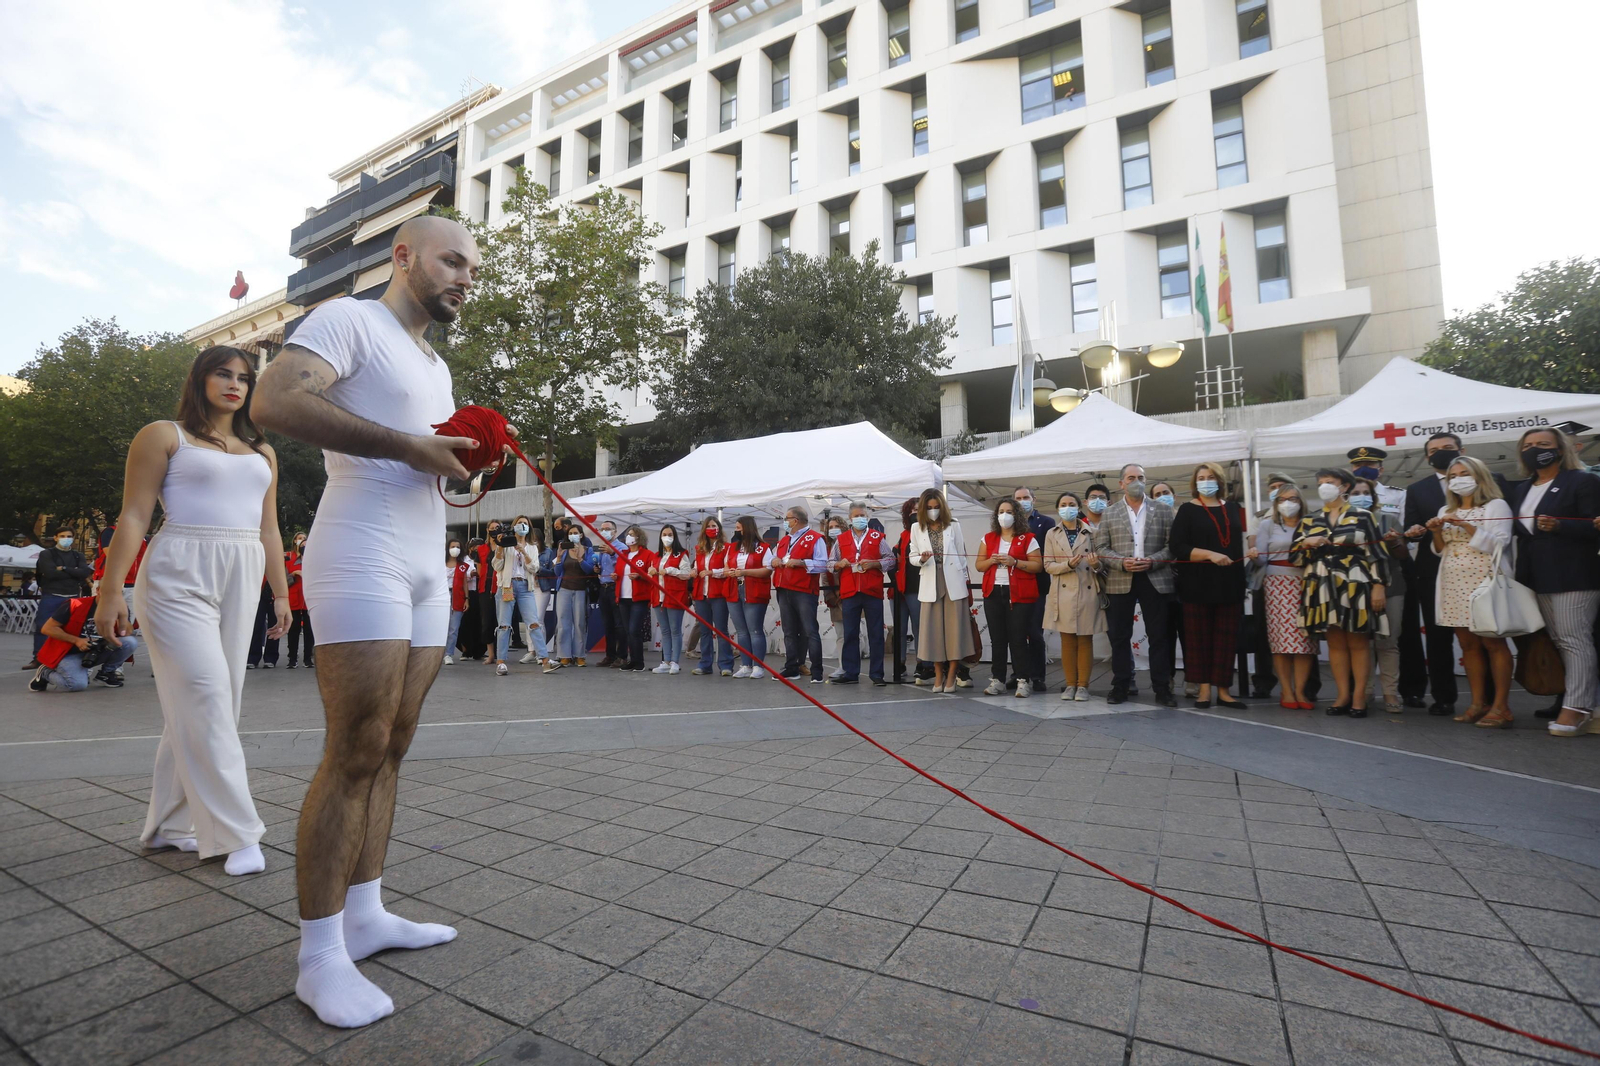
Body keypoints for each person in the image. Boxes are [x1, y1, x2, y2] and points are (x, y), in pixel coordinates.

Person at [253, 216, 499, 1029]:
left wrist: (463, 458)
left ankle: (366, 913)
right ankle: (319, 956)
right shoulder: (349, 320)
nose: (466, 276)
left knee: (394, 741)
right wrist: (409, 447)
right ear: (403, 256)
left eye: (474, 267)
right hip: (360, 548)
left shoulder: (437, 362)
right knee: (354, 745)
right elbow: (276, 400)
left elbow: (423, 453)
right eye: (452, 260)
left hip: (429, 558)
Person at [96, 344, 290, 883]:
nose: (235, 385)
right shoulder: (164, 435)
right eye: (223, 374)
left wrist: (280, 593)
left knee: (214, 704)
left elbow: (268, 528)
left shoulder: (262, 452)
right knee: (204, 693)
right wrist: (112, 591)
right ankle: (237, 833)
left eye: (244, 378)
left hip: (243, 570)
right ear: (200, 379)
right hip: (178, 568)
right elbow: (133, 515)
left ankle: (166, 823)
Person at [1508, 428, 1600, 737]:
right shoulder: (1521, 489)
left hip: (1573, 573)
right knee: (1559, 641)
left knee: (1574, 640)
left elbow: (1595, 525)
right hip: (1534, 577)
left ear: (1561, 449)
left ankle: (1576, 708)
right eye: (1529, 445)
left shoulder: (1583, 481)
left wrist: (1561, 526)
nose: (1535, 450)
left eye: (1543, 445)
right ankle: (1581, 702)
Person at [1426, 455, 1515, 728]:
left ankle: (1501, 706)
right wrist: (1436, 531)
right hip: (1453, 581)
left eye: (1464, 473)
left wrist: (1466, 525)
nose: (1458, 480)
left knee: (1493, 643)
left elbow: (1500, 543)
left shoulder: (1495, 505)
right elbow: (1440, 550)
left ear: (1479, 476)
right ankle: (1478, 703)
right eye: (1453, 476)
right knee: (1468, 645)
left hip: (1484, 579)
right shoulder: (1444, 510)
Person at [1297, 469, 1389, 718]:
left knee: (1358, 642)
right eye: (1320, 483)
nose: (1324, 487)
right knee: (1336, 644)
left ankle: (1359, 696)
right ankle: (1342, 695)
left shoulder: (1363, 516)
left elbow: (1377, 553)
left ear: (1344, 486)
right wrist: (1306, 544)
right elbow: (1295, 557)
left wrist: (1379, 584)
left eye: (1330, 482)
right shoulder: (1310, 519)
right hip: (1321, 584)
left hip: (1355, 583)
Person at [1169, 462, 1250, 708]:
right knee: (1198, 639)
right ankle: (1203, 689)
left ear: (1220, 481)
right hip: (1197, 584)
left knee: (1226, 640)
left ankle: (1224, 690)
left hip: (1230, 583)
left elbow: (1242, 539)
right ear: (1195, 483)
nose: (1206, 481)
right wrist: (1209, 554)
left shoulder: (1234, 508)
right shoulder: (1187, 510)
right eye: (1201, 477)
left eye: (1211, 476)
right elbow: (1177, 547)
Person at [1094, 464, 1177, 706]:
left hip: (1156, 578)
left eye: (1141, 477)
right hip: (1121, 579)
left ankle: (1162, 688)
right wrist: (1121, 562)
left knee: (1159, 636)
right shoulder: (1109, 513)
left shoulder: (1163, 510)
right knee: (1119, 636)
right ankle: (1121, 685)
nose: (1136, 481)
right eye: (1131, 478)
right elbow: (1101, 548)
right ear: (1121, 483)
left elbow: (1172, 546)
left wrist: (1152, 561)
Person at [1401, 432, 1467, 716]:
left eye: (1447, 448)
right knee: (1438, 638)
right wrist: (1414, 532)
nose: (1441, 453)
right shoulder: (1418, 489)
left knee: (1482, 636)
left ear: (1461, 450)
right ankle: (1443, 697)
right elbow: (1412, 528)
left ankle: (1489, 699)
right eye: (1434, 450)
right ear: (1427, 457)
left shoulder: (1488, 480)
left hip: (1476, 569)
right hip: (1432, 572)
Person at [1250, 483, 1316, 709]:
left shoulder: (1312, 523)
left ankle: (1301, 691)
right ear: (1276, 503)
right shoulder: (1268, 524)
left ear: (1302, 501)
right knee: (1281, 642)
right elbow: (1260, 559)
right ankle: (1287, 691)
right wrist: (1254, 554)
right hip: (1277, 584)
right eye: (1283, 499)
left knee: (1305, 641)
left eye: (1294, 499)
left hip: (1307, 583)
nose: (1289, 503)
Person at [977, 498, 1044, 698]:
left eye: (1008, 511)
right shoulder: (987, 538)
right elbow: (979, 566)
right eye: (1000, 511)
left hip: (1019, 594)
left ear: (1016, 515)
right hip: (993, 592)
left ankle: (1023, 680)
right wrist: (992, 560)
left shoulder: (1028, 538)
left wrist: (1015, 562)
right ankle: (997, 680)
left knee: (1018, 638)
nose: (1004, 515)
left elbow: (1037, 566)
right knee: (998, 639)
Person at [1351, 477, 1407, 713]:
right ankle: (1364, 691)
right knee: (1361, 642)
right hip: (1354, 588)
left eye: (1366, 492)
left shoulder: (1388, 519)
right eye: (1356, 492)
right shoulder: (1342, 521)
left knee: (1388, 641)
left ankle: (1390, 692)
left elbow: (1403, 555)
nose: (1361, 495)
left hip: (1391, 586)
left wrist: (1394, 543)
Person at [908, 488, 973, 693]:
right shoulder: (916, 528)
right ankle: (938, 676)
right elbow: (912, 556)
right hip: (930, 582)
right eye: (929, 508)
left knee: (955, 631)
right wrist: (922, 559)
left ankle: (952, 675)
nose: (933, 511)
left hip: (953, 582)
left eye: (936, 507)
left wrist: (964, 582)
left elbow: (962, 555)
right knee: (933, 632)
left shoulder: (954, 525)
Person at [1043, 491, 1101, 702]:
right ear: (1058, 508)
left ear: (1079, 507)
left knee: (1085, 639)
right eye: (1063, 504)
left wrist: (1096, 565)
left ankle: (1083, 686)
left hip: (1087, 591)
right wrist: (1067, 565)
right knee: (1067, 639)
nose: (1067, 507)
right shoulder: (1051, 533)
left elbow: (1101, 567)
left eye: (1071, 504)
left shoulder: (1092, 532)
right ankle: (1070, 685)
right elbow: (1047, 565)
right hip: (1062, 592)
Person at [1248, 473, 1298, 699]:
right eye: (1273, 487)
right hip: (1267, 580)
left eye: (1282, 486)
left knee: (1304, 634)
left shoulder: (1307, 518)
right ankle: (1264, 681)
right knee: (1264, 634)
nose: (1277, 490)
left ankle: (1308, 686)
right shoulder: (1260, 518)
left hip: (1299, 580)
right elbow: (1255, 547)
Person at [828, 503, 888, 686]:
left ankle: (877, 674)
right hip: (850, 591)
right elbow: (830, 563)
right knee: (851, 633)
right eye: (856, 515)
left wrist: (875, 563)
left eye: (862, 514)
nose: (859, 518)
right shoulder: (842, 539)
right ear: (850, 518)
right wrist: (839, 565)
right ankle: (850, 672)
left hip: (872, 590)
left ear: (867, 517)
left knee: (876, 633)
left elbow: (891, 560)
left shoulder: (878, 537)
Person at [30, 594, 140, 692]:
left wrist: (122, 615)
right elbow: (47, 629)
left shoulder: (119, 607)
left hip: (96, 651)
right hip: (69, 653)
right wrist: (76, 640)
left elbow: (127, 633)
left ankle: (106, 674)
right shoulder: (75, 604)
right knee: (76, 685)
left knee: (130, 642)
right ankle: (45, 672)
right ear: (98, 590)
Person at [773, 507, 829, 683]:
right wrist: (773, 561)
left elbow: (823, 564)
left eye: (787, 518)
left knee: (809, 630)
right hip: (784, 588)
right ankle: (792, 668)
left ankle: (817, 670)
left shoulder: (815, 538)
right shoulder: (785, 540)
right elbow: (774, 559)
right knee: (789, 631)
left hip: (804, 590)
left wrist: (802, 562)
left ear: (795, 520)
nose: (785, 522)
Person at [491, 516, 552, 676]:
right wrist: (499, 547)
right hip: (507, 585)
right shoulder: (505, 544)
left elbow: (534, 568)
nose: (522, 526)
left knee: (533, 623)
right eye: (519, 523)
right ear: (514, 526)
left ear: (529, 528)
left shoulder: (532, 547)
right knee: (504, 625)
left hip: (526, 586)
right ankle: (501, 662)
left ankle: (544, 660)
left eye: (525, 523)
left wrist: (523, 551)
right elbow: (496, 566)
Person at [1010, 486, 1054, 694]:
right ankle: (1018, 674)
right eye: (1018, 498)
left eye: (1025, 497)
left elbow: (1046, 553)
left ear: (1034, 499)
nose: (1022, 501)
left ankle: (1037, 676)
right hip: (1013, 584)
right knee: (1016, 632)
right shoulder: (1009, 523)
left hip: (1037, 584)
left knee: (1035, 632)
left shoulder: (1046, 523)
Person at [31, 525, 90, 666]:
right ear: (56, 538)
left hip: (73, 597)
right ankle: (39, 658)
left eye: (69, 536)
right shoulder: (47, 554)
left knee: (71, 628)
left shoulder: (78, 555)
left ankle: (63, 656)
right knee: (43, 627)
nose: (66, 539)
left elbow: (84, 573)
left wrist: (63, 569)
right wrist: (73, 572)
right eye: (62, 536)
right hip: (52, 595)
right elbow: (50, 573)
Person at [724, 515, 772, 678]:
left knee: (755, 629)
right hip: (734, 590)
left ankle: (758, 666)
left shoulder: (763, 547)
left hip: (754, 590)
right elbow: (726, 566)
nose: (736, 531)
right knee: (741, 631)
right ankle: (746, 664)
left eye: (739, 528)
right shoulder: (732, 547)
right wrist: (729, 572)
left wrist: (744, 572)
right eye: (736, 529)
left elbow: (767, 570)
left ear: (747, 529)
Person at [549, 528, 598, 669]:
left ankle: (580, 655)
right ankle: (564, 655)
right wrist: (558, 558)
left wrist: (579, 558)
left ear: (581, 535)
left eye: (575, 533)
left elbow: (589, 570)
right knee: (563, 623)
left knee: (579, 623)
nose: (573, 535)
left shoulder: (588, 550)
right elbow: (557, 572)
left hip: (581, 590)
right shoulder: (564, 551)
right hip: (564, 589)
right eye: (570, 533)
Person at [690, 517, 734, 677]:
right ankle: (705, 664)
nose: (711, 528)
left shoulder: (726, 548)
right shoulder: (700, 548)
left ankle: (726, 664)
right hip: (701, 594)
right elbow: (697, 566)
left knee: (721, 630)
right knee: (705, 630)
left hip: (718, 593)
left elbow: (727, 570)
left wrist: (712, 572)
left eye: (714, 525)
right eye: (708, 526)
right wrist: (694, 571)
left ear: (719, 528)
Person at [613, 525, 656, 671]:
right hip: (623, 597)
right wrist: (615, 576)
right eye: (627, 534)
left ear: (639, 537)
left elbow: (652, 576)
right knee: (627, 631)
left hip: (639, 598)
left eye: (631, 534)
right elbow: (618, 571)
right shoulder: (623, 555)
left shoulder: (648, 555)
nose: (628, 537)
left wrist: (640, 576)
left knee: (633, 630)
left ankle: (639, 662)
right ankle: (632, 660)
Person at [651, 524, 693, 674]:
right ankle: (666, 661)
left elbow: (686, 574)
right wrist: (651, 571)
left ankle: (675, 661)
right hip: (658, 596)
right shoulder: (657, 555)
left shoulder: (681, 554)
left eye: (670, 534)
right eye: (664, 534)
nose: (666, 537)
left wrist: (670, 570)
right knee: (665, 631)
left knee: (675, 630)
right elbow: (653, 573)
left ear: (674, 537)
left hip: (675, 596)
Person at [591, 520, 624, 666]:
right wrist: (597, 570)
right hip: (603, 587)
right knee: (607, 624)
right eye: (602, 529)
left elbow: (624, 564)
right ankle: (610, 656)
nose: (604, 531)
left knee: (619, 624)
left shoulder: (621, 547)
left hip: (615, 587)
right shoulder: (601, 548)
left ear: (615, 531)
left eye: (607, 529)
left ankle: (621, 656)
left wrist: (612, 554)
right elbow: (602, 567)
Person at [285, 533, 315, 669]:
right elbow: (284, 581)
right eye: (301, 544)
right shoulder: (290, 563)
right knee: (293, 631)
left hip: (309, 602)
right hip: (294, 601)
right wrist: (294, 573)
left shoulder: (315, 563)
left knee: (309, 631)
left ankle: (308, 658)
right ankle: (292, 658)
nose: (303, 546)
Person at [472, 522, 500, 664]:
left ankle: (501, 654)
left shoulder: (504, 546)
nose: (494, 530)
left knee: (501, 620)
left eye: (497, 527)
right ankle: (490, 654)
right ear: (487, 530)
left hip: (501, 584)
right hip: (485, 586)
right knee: (487, 621)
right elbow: (479, 568)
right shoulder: (481, 548)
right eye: (492, 528)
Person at [444, 537, 472, 664]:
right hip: (442, 597)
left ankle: (448, 654)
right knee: (441, 627)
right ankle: (437, 653)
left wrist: (467, 599)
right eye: (452, 546)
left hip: (458, 597)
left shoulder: (462, 566)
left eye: (458, 547)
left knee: (454, 628)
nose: (455, 549)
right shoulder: (440, 563)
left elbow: (465, 583)